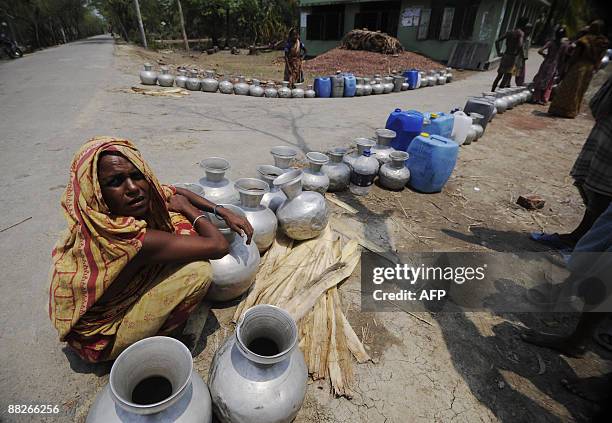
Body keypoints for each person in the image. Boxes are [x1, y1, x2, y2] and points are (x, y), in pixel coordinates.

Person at [48, 137, 254, 363]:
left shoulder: (93, 216)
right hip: (101, 338)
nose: (133, 188)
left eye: (136, 176)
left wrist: (220, 210)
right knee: (198, 270)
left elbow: (176, 190)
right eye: (115, 181)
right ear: (96, 191)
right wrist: (188, 209)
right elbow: (219, 246)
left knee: (169, 217)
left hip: (100, 307)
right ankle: (157, 343)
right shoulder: (129, 238)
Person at [532, 75, 612, 250]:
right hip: (604, 127)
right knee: (587, 183)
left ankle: (580, 242)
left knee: (601, 192)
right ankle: (580, 237)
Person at [548, 20, 609, 118]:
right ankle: (573, 111)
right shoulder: (602, 42)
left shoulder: (584, 40)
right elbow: (600, 57)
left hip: (579, 66)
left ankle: (561, 109)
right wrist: (596, 67)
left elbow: (576, 54)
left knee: (569, 87)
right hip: (590, 68)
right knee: (581, 89)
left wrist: (569, 65)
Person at [532, 26, 568, 104]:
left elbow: (540, 50)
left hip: (546, 63)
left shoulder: (551, 42)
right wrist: (561, 68)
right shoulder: (564, 45)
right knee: (548, 81)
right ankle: (543, 98)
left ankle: (536, 98)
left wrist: (546, 56)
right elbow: (563, 58)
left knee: (540, 79)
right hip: (554, 65)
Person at [492, 17, 528, 91]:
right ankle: (498, 94)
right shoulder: (520, 33)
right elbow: (520, 45)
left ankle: (492, 90)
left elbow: (497, 41)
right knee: (506, 76)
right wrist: (521, 54)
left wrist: (499, 52)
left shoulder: (510, 32)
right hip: (512, 57)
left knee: (499, 76)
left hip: (505, 55)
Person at [515, 22, 533, 86]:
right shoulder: (523, 36)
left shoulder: (528, 37)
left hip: (523, 57)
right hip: (520, 56)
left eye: (530, 29)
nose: (529, 31)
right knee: (517, 70)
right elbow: (521, 46)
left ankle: (519, 82)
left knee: (520, 70)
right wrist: (523, 55)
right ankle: (518, 83)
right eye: (528, 29)